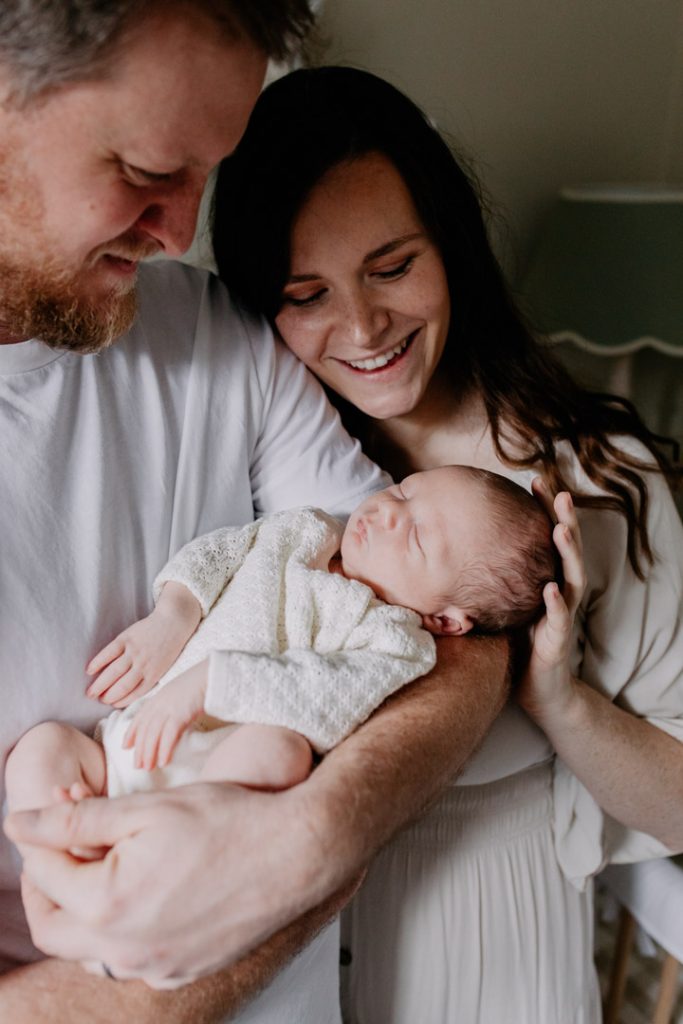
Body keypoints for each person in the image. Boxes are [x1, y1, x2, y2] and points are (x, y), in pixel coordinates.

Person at [0, 6, 513, 1023]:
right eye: (148, 173)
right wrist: (159, 990)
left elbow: (452, 622)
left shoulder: (221, 342)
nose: (182, 234)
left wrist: (308, 837)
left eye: (208, 172)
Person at [209, 66, 683, 1023]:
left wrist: (560, 703)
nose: (363, 327)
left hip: (492, 952)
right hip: (263, 966)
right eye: (306, 293)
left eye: (391, 267)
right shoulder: (248, 476)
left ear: (451, 246)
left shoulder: (598, 482)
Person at [7, 467, 556, 847]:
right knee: (42, 748)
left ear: (444, 621)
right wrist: (173, 614)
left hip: (207, 781)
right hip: (121, 746)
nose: (388, 512)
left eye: (415, 538)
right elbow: (219, 552)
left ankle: (142, 840)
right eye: (407, 490)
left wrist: (210, 683)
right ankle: (64, 844)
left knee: (280, 754)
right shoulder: (307, 530)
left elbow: (326, 696)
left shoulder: (395, 642)